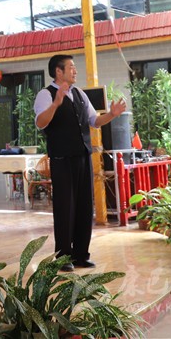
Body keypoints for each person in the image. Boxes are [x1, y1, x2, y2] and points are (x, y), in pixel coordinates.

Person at [34, 55, 126, 272]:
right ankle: (63, 257)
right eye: (71, 67)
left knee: (85, 207)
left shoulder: (80, 94)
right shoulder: (46, 94)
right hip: (61, 159)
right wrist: (56, 104)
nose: (75, 71)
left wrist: (112, 115)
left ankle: (81, 255)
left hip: (83, 157)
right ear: (59, 71)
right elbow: (41, 123)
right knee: (65, 208)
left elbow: (95, 121)